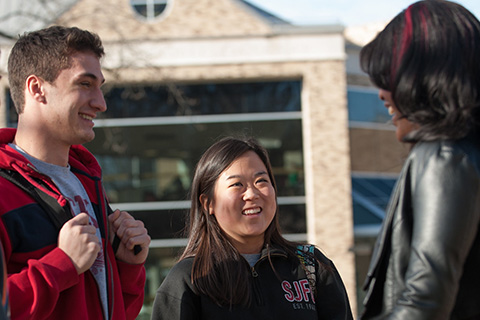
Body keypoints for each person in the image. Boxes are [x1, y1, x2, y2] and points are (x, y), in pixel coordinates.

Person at [0, 26, 151, 319]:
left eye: (100, 87)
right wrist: (62, 264)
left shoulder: (87, 182)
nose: (101, 103)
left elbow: (118, 310)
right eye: (84, 84)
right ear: (36, 89)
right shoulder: (3, 191)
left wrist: (128, 266)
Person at [359, 1, 480, 319]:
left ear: (426, 76)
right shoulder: (464, 153)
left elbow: (423, 304)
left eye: (390, 77)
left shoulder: (443, 156)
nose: (382, 95)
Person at [151, 136, 353, 320]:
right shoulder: (189, 279)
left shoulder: (311, 266)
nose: (252, 194)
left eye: (261, 181)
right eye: (237, 184)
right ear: (208, 203)